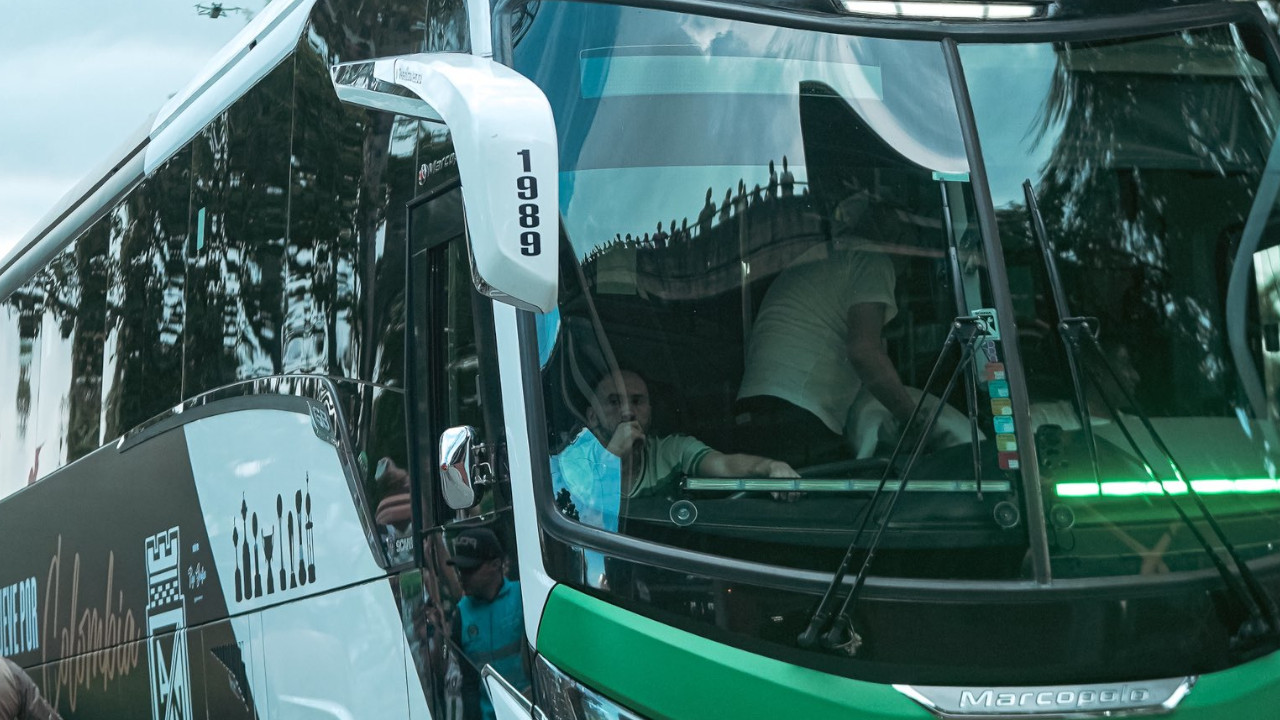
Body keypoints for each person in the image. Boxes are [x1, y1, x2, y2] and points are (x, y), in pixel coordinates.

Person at [554, 370, 799, 532]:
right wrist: (614, 455)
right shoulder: (571, 462)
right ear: (592, 416)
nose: (628, 412)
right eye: (614, 402)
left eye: (638, 401)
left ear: (650, 410)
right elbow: (580, 515)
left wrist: (768, 467)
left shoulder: (672, 450)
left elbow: (724, 465)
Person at [446, 528, 529, 720]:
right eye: (460, 569)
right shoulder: (461, 614)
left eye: (470, 569)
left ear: (496, 565)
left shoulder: (522, 597)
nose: (462, 576)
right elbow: (467, 683)